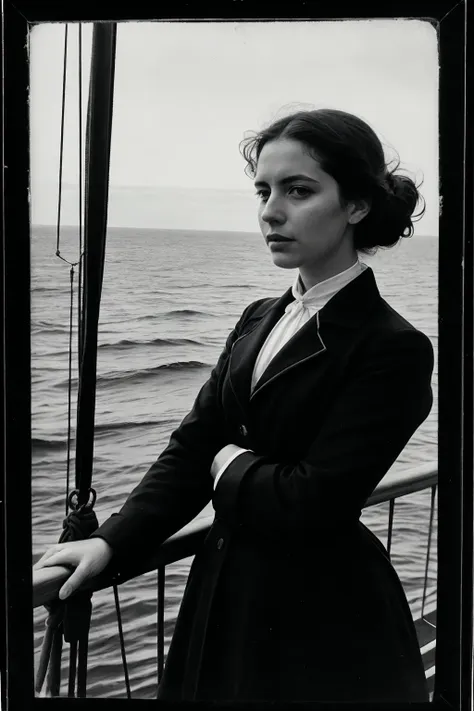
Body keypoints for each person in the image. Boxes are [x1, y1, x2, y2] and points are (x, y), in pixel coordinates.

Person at [35, 108, 434, 702]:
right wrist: (112, 540)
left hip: (321, 610)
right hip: (223, 591)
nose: (271, 211)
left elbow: (313, 500)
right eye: (264, 191)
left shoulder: (392, 346)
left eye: (299, 190)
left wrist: (226, 461)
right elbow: (192, 445)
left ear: (357, 205)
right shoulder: (257, 318)